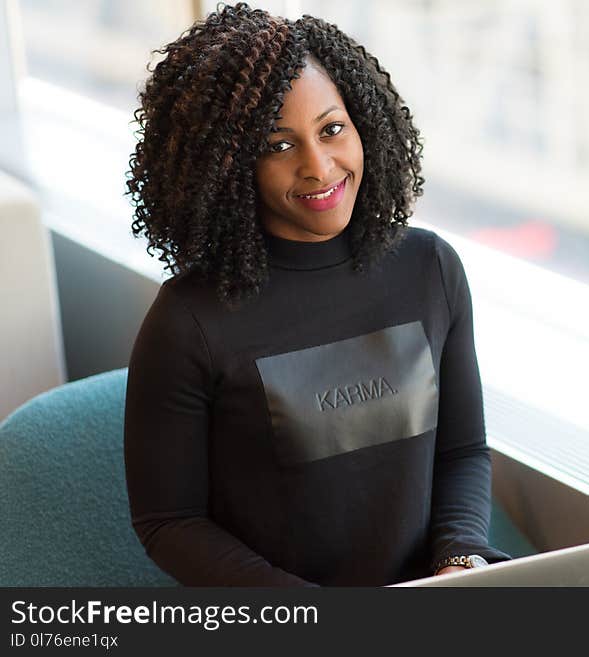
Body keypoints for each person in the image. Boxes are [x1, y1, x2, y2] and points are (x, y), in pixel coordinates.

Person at [123, 2, 511, 586]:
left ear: (364, 126)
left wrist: (460, 563)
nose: (318, 166)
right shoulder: (188, 322)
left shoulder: (429, 268)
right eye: (278, 145)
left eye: (332, 129)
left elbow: (462, 451)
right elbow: (169, 521)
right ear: (229, 167)